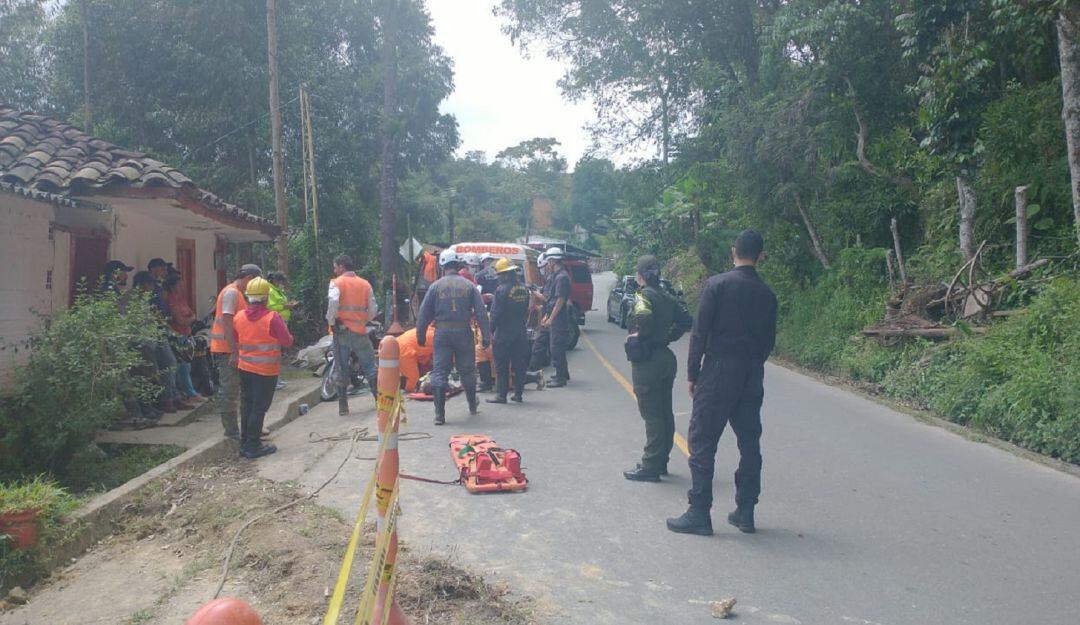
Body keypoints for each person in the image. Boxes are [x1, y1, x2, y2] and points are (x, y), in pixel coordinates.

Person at [667, 230, 778, 536]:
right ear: (761, 256)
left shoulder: (717, 285)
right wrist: (751, 365)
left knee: (702, 440)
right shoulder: (768, 295)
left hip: (718, 370)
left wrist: (693, 373)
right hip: (751, 373)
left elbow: (699, 333)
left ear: (733, 252)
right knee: (749, 442)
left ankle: (699, 512)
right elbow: (769, 341)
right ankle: (745, 511)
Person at [416, 249, 490, 425]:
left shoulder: (435, 287)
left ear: (442, 266)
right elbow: (480, 312)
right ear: (457, 265)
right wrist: (486, 336)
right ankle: (472, 405)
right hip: (463, 332)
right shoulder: (469, 286)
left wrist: (420, 334)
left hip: (442, 334)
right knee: (467, 370)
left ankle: (439, 414)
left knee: (440, 371)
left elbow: (424, 314)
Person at [622, 256, 679, 482]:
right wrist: (668, 336)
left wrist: (640, 335)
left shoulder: (642, 295)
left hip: (648, 361)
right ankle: (661, 460)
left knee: (652, 414)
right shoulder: (667, 296)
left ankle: (650, 466)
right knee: (665, 412)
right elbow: (686, 320)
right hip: (665, 356)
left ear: (640, 275)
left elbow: (643, 316)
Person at [233, 276, 293, 459]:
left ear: (248, 296)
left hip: (244, 368)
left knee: (247, 405)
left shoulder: (239, 317)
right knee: (259, 407)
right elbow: (287, 341)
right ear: (266, 298)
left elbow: (236, 340)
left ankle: (245, 443)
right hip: (266, 371)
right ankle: (253, 445)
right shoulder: (272, 318)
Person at [210, 263, 262, 439]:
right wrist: (234, 351)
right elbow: (227, 321)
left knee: (240, 389)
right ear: (249, 278)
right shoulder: (232, 293)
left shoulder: (237, 293)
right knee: (229, 390)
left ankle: (243, 429)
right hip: (227, 350)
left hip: (233, 350)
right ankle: (231, 432)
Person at [326, 254, 379, 416]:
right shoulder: (365, 284)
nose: (334, 270)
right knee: (370, 366)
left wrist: (331, 321)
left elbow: (333, 304)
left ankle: (343, 407)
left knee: (341, 368)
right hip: (359, 332)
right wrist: (363, 320)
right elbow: (373, 309)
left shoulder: (336, 283)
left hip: (341, 331)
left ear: (341, 267)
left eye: (335, 267)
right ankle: (380, 401)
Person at [487, 258, 531, 404]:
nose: (498, 278)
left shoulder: (501, 290)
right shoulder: (524, 288)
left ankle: (501, 395)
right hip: (520, 332)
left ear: (505, 274)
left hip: (504, 333)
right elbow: (525, 310)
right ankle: (518, 394)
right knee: (519, 364)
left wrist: (489, 333)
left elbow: (495, 314)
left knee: (502, 365)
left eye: (499, 275)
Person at [528, 247, 573, 387]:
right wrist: (547, 316)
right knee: (554, 345)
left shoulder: (562, 277)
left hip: (558, 317)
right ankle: (562, 373)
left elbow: (560, 300)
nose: (547, 264)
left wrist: (551, 318)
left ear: (553, 260)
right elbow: (550, 299)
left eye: (549, 261)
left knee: (556, 347)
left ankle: (560, 379)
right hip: (553, 314)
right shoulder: (556, 275)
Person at [163, 273, 202, 403]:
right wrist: (189, 319)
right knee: (182, 366)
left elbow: (192, 315)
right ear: (173, 287)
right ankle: (188, 392)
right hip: (177, 335)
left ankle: (185, 392)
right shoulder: (171, 300)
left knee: (186, 365)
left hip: (185, 334)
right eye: (180, 285)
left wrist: (189, 319)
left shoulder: (180, 299)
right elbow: (180, 320)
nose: (183, 287)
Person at [397, 325, 435, 392]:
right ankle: (396, 382)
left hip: (403, 344)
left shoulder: (434, 331)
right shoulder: (440, 338)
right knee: (413, 384)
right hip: (404, 350)